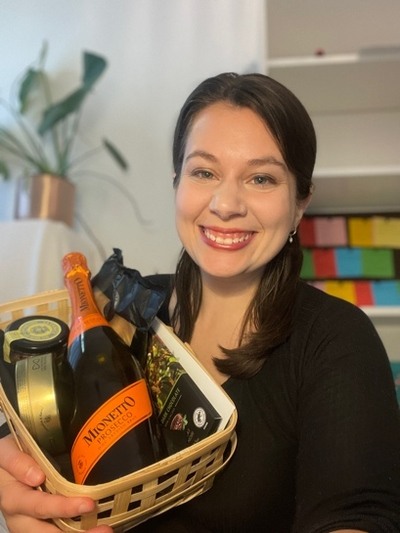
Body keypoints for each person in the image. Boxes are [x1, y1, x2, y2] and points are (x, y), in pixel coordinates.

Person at [0, 72, 399, 533]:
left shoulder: (334, 340)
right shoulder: (126, 307)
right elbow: (51, 439)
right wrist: (24, 490)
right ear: (177, 183)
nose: (226, 203)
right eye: (204, 172)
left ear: (300, 203)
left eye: (262, 178)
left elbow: (358, 517)